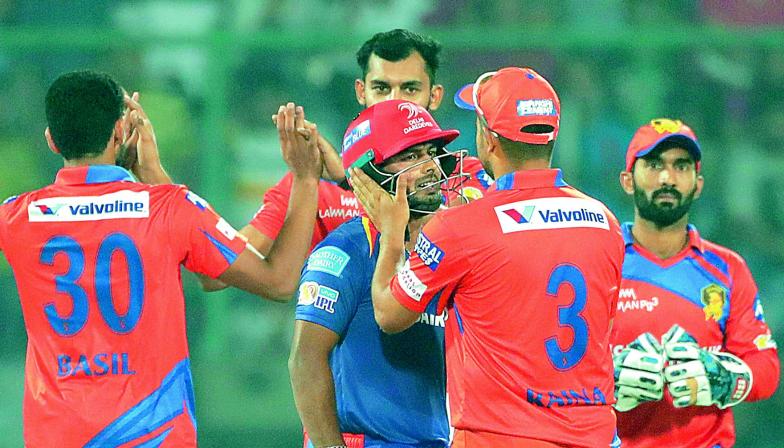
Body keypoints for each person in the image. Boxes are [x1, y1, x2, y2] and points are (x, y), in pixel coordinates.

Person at [0, 70, 321, 447]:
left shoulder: (16, 218)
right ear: (121, 132)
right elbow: (280, 281)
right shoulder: (171, 209)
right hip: (153, 436)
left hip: (57, 436)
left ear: (51, 141)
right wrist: (305, 178)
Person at [351, 67, 625, 447]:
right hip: (596, 436)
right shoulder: (605, 222)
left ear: (489, 140)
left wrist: (392, 237)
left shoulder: (459, 227)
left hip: (500, 437)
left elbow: (388, 313)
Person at [199, 28, 488, 293]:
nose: (394, 102)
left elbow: (485, 259)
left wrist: (348, 183)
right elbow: (217, 275)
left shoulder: (468, 175)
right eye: (381, 89)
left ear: (435, 96)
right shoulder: (312, 187)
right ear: (361, 92)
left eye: (410, 89)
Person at [288, 99, 461, 448]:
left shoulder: (448, 246)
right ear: (372, 174)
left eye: (431, 152)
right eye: (412, 157)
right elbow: (305, 360)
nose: (431, 167)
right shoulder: (346, 252)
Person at [610, 118, 780, 447]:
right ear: (627, 181)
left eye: (681, 166)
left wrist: (725, 377)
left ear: (698, 184)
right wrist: (605, 379)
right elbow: (556, 365)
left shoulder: (729, 269)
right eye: (654, 164)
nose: (667, 178)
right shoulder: (601, 261)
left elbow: (767, 367)